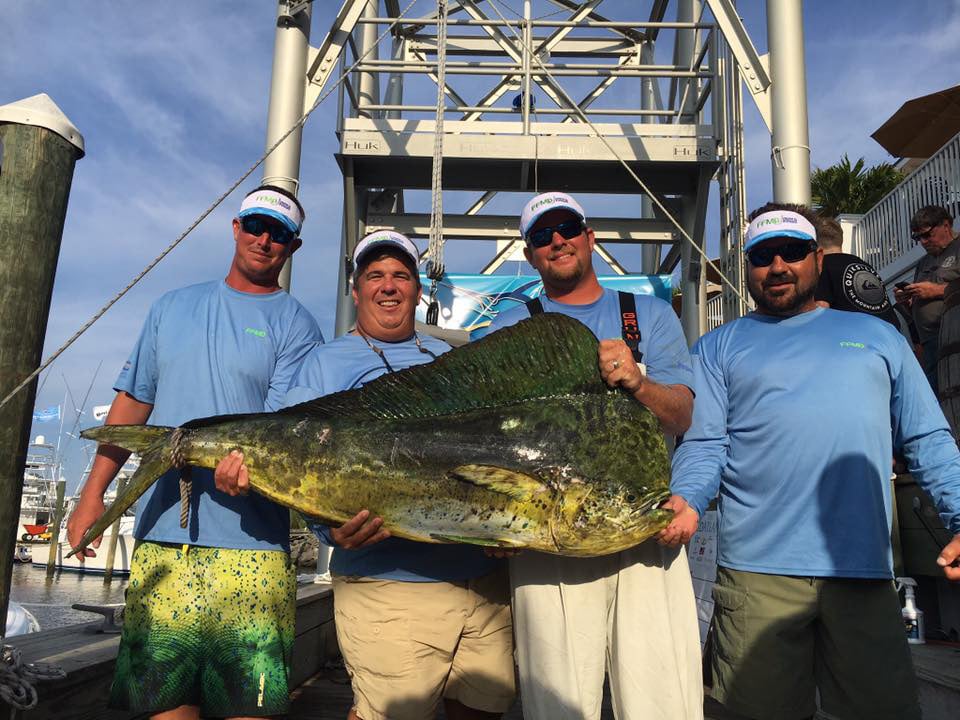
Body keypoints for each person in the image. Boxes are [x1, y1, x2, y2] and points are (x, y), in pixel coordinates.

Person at [669, 202, 960, 720]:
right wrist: (687, 498)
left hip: (864, 570)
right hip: (755, 575)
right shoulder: (717, 346)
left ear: (816, 260)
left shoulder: (879, 337)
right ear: (749, 267)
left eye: (793, 252)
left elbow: (927, 435)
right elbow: (704, 443)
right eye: (763, 255)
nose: (777, 266)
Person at [231, 230, 515, 720]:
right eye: (375, 275)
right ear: (357, 289)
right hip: (388, 588)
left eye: (401, 275)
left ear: (418, 290)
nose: (389, 286)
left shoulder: (450, 362)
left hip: (484, 586)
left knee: (485, 711)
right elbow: (288, 459)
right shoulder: (323, 364)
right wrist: (327, 529)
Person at [66, 185, 322, 720]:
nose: (264, 239)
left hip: (254, 550)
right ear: (235, 227)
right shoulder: (171, 307)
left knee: (245, 709)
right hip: (164, 540)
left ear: (292, 248)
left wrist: (254, 471)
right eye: (256, 225)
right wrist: (93, 496)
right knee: (164, 707)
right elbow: (133, 402)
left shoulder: (297, 326)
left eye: (279, 234)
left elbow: (278, 434)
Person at [484, 192, 703, 720]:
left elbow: (681, 417)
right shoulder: (509, 325)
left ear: (589, 237)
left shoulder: (648, 314)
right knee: (557, 703)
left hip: (642, 530)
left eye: (566, 228)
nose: (556, 240)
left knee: (662, 699)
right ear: (531, 254)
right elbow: (482, 433)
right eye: (541, 236)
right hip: (548, 538)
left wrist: (638, 381)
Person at [894, 205, 960, 392]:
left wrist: (937, 291)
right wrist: (908, 301)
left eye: (927, 235)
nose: (922, 242)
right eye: (918, 238)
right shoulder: (924, 262)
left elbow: (936, 291)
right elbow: (920, 303)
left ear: (946, 225)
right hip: (930, 343)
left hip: (953, 336)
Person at [814, 215, 898, 326]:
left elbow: (821, 310)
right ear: (840, 239)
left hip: (855, 338)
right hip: (891, 333)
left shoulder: (822, 267)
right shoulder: (865, 266)